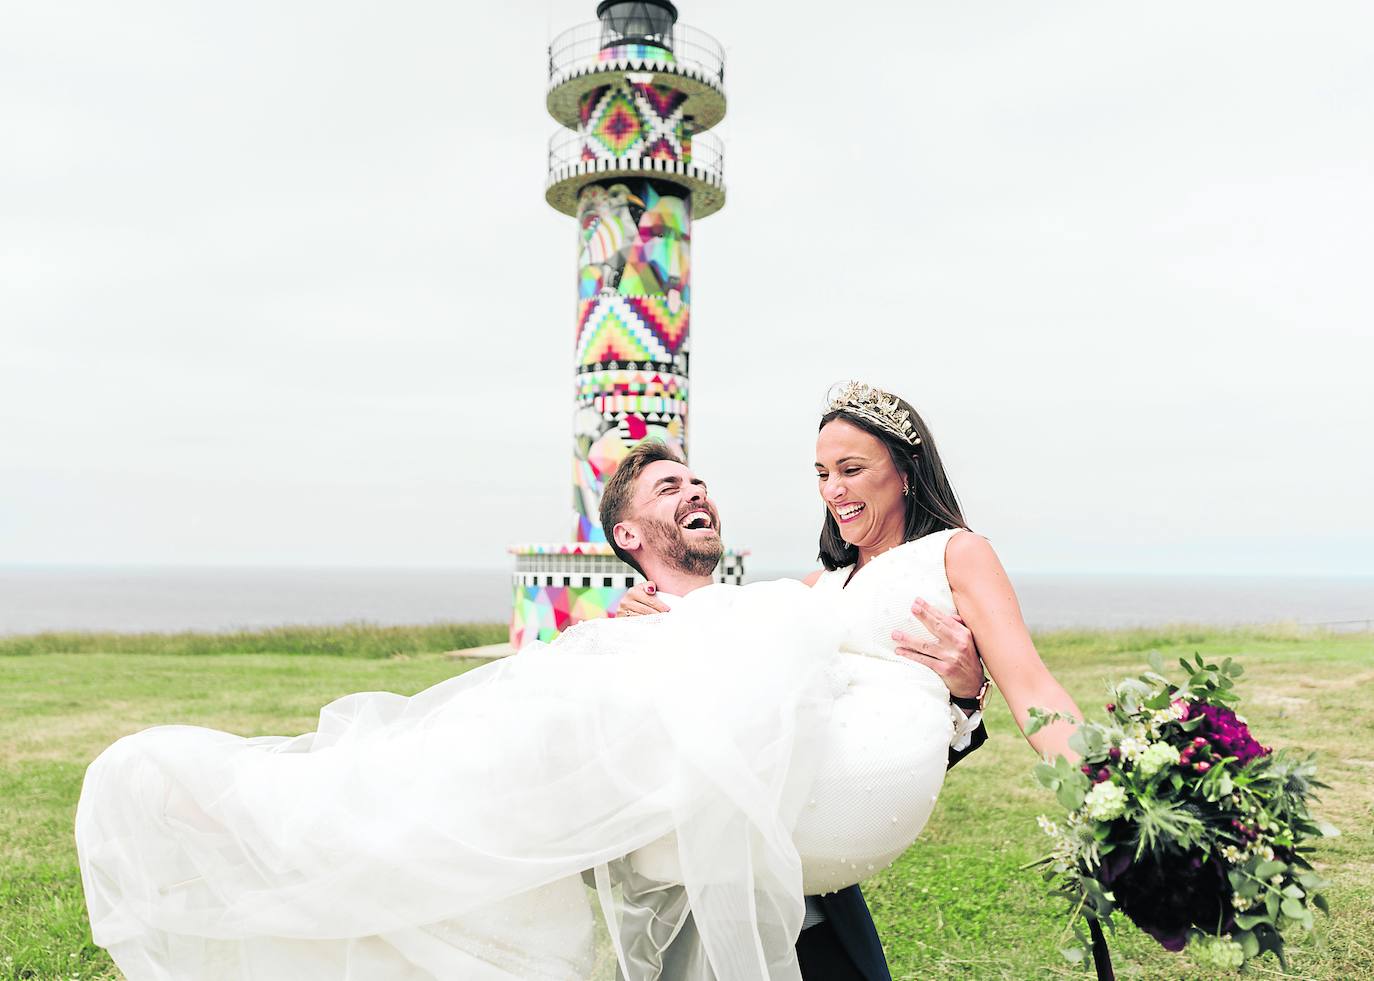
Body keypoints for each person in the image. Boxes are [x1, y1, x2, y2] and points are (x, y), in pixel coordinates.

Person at [618, 380, 1085, 977]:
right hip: (759, 841)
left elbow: (1036, 692)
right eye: (821, 473)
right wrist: (646, 609)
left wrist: (1102, 792)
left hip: (820, 858)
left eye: (852, 469)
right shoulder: (819, 586)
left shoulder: (956, 554)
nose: (833, 491)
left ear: (906, 470)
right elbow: (714, 618)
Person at [593, 437, 989, 981]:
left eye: (697, 483)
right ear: (627, 534)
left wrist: (964, 697)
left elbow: (871, 748)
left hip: (818, 933)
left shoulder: (780, 615)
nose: (696, 491)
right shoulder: (617, 655)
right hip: (686, 943)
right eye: (670, 487)